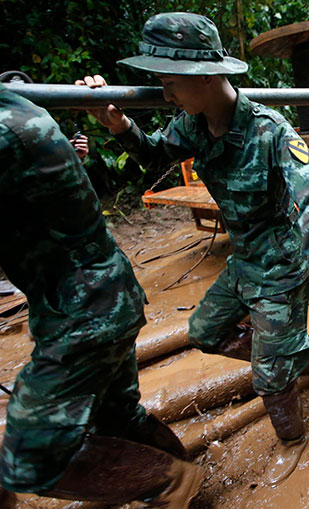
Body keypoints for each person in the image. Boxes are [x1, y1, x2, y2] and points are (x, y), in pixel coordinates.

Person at [77, 12, 309, 484]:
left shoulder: (270, 131)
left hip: (283, 264)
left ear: (205, 76)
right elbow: (153, 154)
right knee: (205, 332)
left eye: (170, 83)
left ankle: (291, 434)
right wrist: (118, 124)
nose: (164, 95)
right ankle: (288, 357)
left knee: (267, 379)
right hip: (244, 259)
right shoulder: (192, 125)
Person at [0, 84, 201, 506]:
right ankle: (187, 485)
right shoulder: (17, 105)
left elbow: (158, 151)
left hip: (83, 311)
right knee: (116, 417)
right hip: (101, 295)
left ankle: (172, 482)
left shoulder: (6, 127)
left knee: (28, 457)